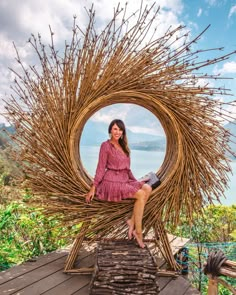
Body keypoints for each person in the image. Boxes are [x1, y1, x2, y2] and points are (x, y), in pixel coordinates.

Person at [86, 119, 152, 248]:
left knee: (148, 188)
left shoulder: (124, 146)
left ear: (123, 132)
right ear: (110, 130)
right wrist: (93, 187)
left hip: (124, 179)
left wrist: (135, 181)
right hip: (111, 182)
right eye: (115, 129)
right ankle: (138, 232)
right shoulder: (105, 145)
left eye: (120, 129)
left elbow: (127, 169)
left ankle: (131, 221)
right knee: (140, 194)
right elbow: (101, 167)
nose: (118, 132)